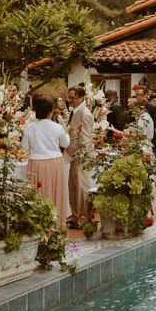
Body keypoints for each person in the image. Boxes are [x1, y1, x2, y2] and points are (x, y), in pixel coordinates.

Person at [21, 96, 70, 228]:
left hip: (36, 162)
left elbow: (25, 147)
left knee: (38, 193)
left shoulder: (29, 127)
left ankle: (37, 224)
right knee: (55, 192)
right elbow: (65, 143)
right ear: (51, 111)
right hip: (55, 161)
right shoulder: (57, 127)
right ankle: (56, 224)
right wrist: (67, 132)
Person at [65, 85, 95, 229]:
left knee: (82, 187)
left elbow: (87, 138)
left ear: (81, 97)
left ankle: (84, 217)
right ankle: (75, 214)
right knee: (73, 186)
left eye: (72, 97)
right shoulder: (75, 111)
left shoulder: (85, 114)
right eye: (68, 97)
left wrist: (79, 155)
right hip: (72, 155)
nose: (69, 100)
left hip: (81, 156)